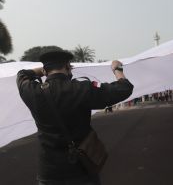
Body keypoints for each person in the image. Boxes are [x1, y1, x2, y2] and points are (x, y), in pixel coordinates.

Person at [16, 50, 134, 185]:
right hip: (81, 169)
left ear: (45, 70)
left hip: (49, 172)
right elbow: (124, 88)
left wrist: (44, 70)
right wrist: (117, 68)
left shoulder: (32, 91)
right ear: (68, 67)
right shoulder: (82, 88)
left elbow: (22, 74)